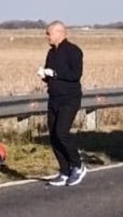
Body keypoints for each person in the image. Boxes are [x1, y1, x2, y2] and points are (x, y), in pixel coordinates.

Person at [38, 20, 85, 187]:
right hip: (54, 98)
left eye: (48, 33)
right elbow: (51, 73)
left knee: (62, 132)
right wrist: (44, 74)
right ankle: (64, 171)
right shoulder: (51, 53)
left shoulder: (74, 51)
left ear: (59, 33)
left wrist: (55, 73)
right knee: (53, 136)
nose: (47, 37)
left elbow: (75, 75)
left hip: (70, 98)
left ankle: (77, 165)